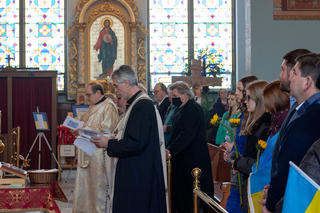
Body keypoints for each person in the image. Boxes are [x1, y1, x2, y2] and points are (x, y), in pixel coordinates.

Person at [90, 65, 168, 213]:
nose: (115, 90)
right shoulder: (135, 104)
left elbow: (137, 142)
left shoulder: (142, 105)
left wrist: (109, 143)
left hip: (138, 176)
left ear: (126, 83)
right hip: (135, 171)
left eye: (116, 86)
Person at [262, 53, 320, 213]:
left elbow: (289, 166)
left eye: (294, 73)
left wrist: (271, 204)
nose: (289, 78)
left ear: (307, 82)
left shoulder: (307, 119)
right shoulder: (306, 112)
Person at [165, 81, 213, 213]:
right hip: (183, 162)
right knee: (182, 201)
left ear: (184, 95)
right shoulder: (180, 110)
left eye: (174, 95)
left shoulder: (193, 109)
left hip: (192, 162)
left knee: (192, 202)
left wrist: (170, 150)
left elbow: (186, 135)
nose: (172, 98)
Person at [73, 82, 119, 213]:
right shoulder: (92, 107)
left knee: (98, 188)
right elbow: (86, 124)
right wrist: (78, 129)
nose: (86, 98)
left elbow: (108, 131)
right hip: (87, 151)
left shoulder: (109, 107)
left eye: (88, 94)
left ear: (98, 92)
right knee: (87, 188)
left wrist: (84, 130)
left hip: (99, 154)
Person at [247, 80, 290, 212]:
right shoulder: (273, 127)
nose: (266, 110)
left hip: (274, 192)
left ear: (277, 102)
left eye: (268, 105)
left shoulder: (284, 128)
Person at [232, 80, 271, 212]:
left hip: (258, 189)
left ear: (259, 99)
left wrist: (239, 162)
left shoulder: (265, 127)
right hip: (248, 184)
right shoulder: (255, 125)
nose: (245, 101)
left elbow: (261, 164)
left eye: (249, 98)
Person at [224, 75, 258, 213]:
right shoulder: (243, 116)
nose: (236, 92)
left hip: (244, 175)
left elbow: (252, 151)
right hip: (237, 172)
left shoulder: (253, 118)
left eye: (239, 89)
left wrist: (234, 150)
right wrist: (231, 152)